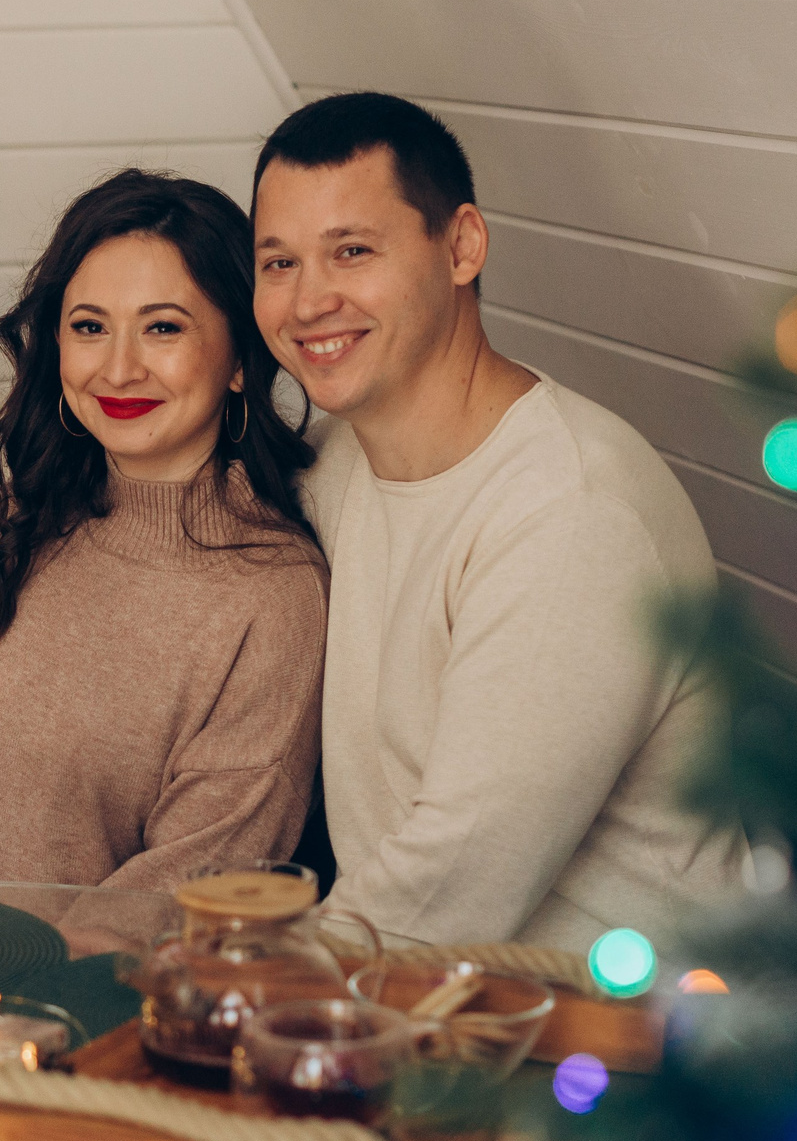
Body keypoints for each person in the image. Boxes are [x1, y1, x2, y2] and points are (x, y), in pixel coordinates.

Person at [251, 92, 745, 953]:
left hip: (623, 1053)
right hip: (429, 1015)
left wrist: (227, 992)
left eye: (353, 251)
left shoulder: (568, 512)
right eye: (279, 264)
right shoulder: (332, 461)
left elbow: (452, 886)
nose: (308, 302)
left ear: (462, 247)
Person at [0, 169, 326, 888]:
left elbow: (191, 888)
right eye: (89, 327)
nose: (119, 369)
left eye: (163, 328)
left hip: (114, 998)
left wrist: (23, 981)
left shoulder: (274, 595)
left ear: (240, 362)